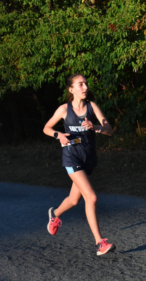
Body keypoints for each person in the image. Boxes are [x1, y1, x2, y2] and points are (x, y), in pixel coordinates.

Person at [43, 74, 115, 256]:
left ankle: (54, 214)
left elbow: (109, 130)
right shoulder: (64, 109)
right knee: (91, 197)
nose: (85, 87)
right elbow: (46, 128)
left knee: (74, 200)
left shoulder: (92, 107)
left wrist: (96, 127)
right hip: (71, 157)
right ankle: (100, 243)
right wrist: (58, 135)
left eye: (86, 84)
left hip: (88, 158)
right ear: (71, 89)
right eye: (80, 84)